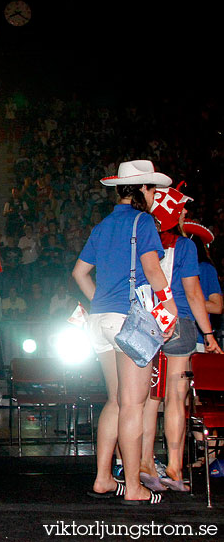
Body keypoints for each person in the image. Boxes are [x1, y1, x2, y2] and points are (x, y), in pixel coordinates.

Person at [72, 160, 178, 504]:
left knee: (116, 401)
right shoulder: (143, 220)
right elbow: (151, 266)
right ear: (144, 189)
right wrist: (168, 305)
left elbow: (79, 273)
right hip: (128, 321)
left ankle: (103, 478)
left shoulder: (102, 226)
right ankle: (133, 486)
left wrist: (101, 301)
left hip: (100, 320)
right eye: (153, 190)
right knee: (134, 404)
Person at [139, 189, 222, 492]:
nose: (185, 217)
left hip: (147, 323)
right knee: (176, 397)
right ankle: (174, 467)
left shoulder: (142, 243)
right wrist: (209, 334)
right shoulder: (186, 247)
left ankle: (145, 461)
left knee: (148, 397)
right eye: (183, 212)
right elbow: (194, 294)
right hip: (180, 324)